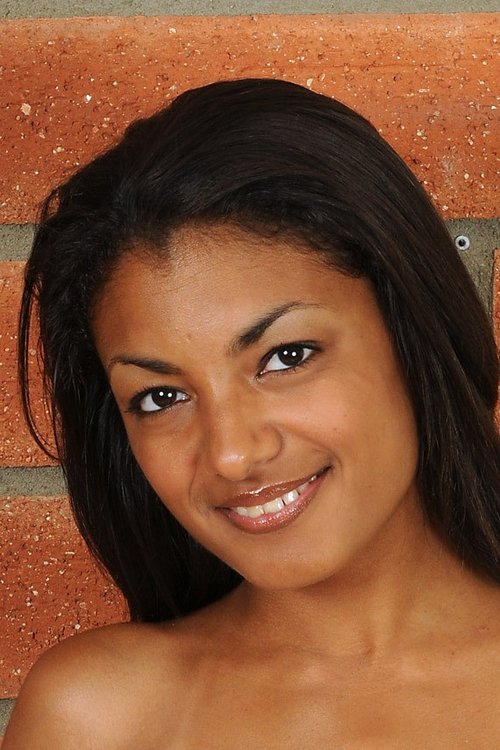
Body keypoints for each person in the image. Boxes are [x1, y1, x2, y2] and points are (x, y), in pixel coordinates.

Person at [4, 78, 499, 749]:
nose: (232, 454)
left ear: (411, 331)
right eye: (161, 398)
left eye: (286, 356)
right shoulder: (100, 720)